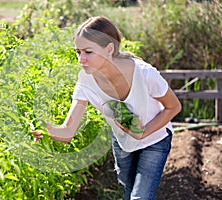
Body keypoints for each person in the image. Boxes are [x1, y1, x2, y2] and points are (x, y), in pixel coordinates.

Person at [33, 16, 182, 200]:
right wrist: (46, 130)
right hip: (123, 142)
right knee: (128, 192)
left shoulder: (143, 73)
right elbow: (68, 131)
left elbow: (173, 106)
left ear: (109, 49)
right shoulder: (85, 82)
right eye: (78, 52)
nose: (81, 59)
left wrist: (143, 132)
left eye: (88, 52)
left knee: (140, 197)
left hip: (155, 140)